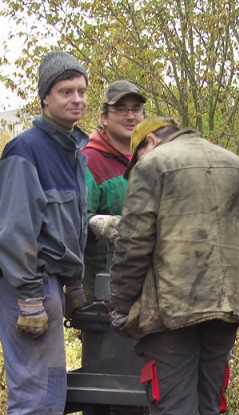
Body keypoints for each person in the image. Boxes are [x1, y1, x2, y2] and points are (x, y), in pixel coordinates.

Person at [109, 117, 239, 415]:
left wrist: (120, 305)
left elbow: (133, 244)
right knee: (205, 405)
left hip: (172, 311)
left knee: (174, 409)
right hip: (226, 306)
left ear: (149, 141)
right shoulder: (236, 165)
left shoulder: (154, 166)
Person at [0, 51, 90, 415]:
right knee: (35, 386)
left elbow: (71, 226)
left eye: (82, 91)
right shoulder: (25, 151)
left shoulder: (73, 152)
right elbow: (16, 232)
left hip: (49, 282)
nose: (77, 100)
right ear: (45, 97)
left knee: (51, 387)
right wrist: (30, 296)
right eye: (66, 91)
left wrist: (74, 284)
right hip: (25, 283)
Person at [81, 81, 146, 297]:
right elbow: (75, 221)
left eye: (136, 109)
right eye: (121, 109)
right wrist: (96, 223)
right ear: (104, 118)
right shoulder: (90, 161)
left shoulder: (152, 158)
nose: (130, 116)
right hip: (103, 291)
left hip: (146, 288)